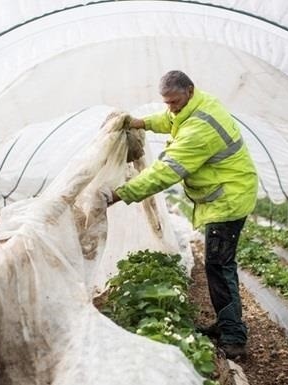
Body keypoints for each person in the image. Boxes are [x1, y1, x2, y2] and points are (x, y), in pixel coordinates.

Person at [108, 70, 258, 358]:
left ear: (189, 90)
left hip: (228, 200)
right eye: (167, 103)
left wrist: (119, 194)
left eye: (174, 102)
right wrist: (142, 123)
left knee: (219, 266)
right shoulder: (197, 105)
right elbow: (171, 120)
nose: (171, 108)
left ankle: (234, 338)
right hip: (229, 193)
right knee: (218, 265)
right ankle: (227, 323)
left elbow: (167, 171)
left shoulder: (200, 130)